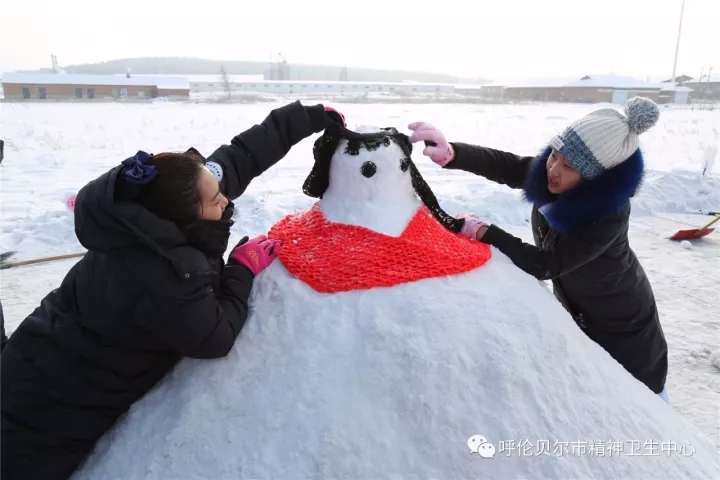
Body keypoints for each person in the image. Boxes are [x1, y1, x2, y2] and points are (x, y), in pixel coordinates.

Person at [0, 100, 346, 480]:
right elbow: (213, 338)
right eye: (216, 200)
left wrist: (306, 118)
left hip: (30, 354)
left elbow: (236, 160)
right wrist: (241, 270)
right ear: (186, 217)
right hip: (54, 408)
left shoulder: (156, 207)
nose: (226, 200)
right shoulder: (166, 276)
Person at [408, 97, 669, 403]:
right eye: (555, 154)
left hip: (624, 327)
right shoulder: (556, 176)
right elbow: (507, 165)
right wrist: (452, 152)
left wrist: (484, 232)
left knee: (640, 407)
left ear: (594, 179)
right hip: (578, 311)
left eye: (568, 166)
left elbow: (546, 264)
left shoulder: (606, 215)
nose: (553, 169)